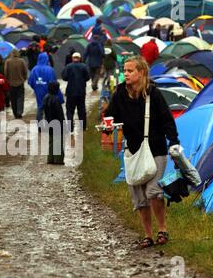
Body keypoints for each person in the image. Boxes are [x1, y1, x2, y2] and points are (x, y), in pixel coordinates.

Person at [104, 55, 180, 249]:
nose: (126, 74)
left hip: (156, 149)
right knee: (139, 198)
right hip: (134, 151)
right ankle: (148, 235)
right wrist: (106, 127)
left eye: (130, 71)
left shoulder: (153, 93)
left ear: (142, 72)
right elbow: (111, 116)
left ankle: (162, 230)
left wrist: (174, 142)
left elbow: (167, 120)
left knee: (153, 191)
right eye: (125, 70)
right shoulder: (120, 92)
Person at [28, 52, 62, 126]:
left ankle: (39, 125)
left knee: (40, 106)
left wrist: (36, 87)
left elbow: (30, 81)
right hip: (48, 91)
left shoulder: (34, 69)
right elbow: (53, 81)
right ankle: (49, 123)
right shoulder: (50, 69)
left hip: (38, 91)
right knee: (49, 107)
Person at [61, 52, 90, 133]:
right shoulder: (84, 66)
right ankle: (83, 127)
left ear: (72, 58)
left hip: (70, 91)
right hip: (81, 91)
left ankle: (70, 128)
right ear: (80, 58)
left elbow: (64, 77)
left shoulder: (68, 66)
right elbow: (87, 77)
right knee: (81, 110)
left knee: (70, 110)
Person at [43, 81, 65, 165]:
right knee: (58, 142)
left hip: (49, 122)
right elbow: (60, 114)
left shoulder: (46, 97)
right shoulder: (55, 100)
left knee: (51, 142)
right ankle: (58, 160)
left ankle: (50, 159)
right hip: (57, 124)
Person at [4, 49, 28, 119]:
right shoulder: (22, 61)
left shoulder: (7, 61)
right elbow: (25, 72)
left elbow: (5, 72)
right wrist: (24, 79)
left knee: (13, 99)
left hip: (11, 84)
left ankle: (15, 113)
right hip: (20, 83)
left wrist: (8, 80)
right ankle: (19, 112)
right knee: (20, 98)